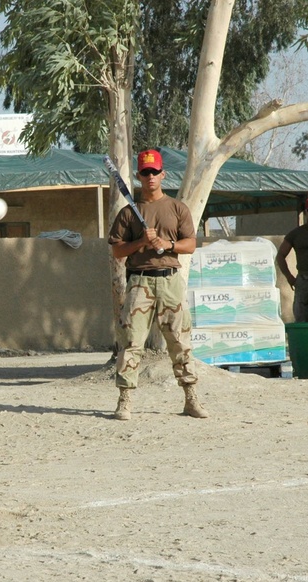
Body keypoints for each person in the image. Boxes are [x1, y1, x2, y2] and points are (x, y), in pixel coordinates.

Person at [107, 149, 208, 421]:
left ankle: (191, 399)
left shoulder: (177, 209)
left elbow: (190, 245)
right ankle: (124, 401)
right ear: (139, 176)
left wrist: (167, 245)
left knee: (180, 342)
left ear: (163, 174)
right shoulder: (130, 213)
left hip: (170, 281)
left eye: (154, 172)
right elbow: (118, 251)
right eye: (145, 172)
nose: (150, 176)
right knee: (131, 343)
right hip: (140, 282)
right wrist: (141, 242)